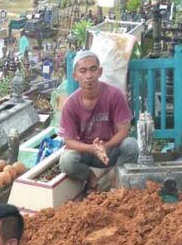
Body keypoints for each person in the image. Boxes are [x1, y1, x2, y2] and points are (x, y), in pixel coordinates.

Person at [59, 50, 139, 193]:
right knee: (66, 161)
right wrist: (92, 149)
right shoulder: (70, 104)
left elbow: (124, 129)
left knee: (132, 145)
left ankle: (117, 181)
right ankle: (90, 178)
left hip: (111, 149)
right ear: (75, 76)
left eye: (93, 69)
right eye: (83, 71)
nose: (88, 76)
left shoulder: (114, 95)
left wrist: (106, 146)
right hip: (87, 152)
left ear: (100, 71)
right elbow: (69, 141)